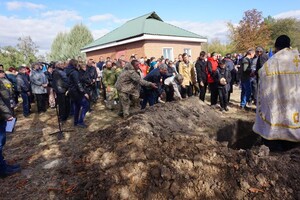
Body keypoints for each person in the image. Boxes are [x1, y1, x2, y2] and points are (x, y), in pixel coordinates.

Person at [253, 35, 300, 142]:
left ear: (276, 47)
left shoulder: (274, 61)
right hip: (296, 99)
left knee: (279, 118)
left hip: (280, 99)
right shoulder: (297, 57)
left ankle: (278, 140)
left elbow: (262, 73)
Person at [0, 77, 21, 178]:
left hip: (2, 115)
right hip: (1, 115)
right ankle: (3, 170)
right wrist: (7, 114)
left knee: (1, 144)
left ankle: (3, 166)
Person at [65, 59, 89, 128]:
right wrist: (84, 93)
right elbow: (78, 84)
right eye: (77, 64)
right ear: (75, 64)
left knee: (77, 107)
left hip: (72, 92)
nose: (78, 65)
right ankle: (80, 121)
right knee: (86, 105)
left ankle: (75, 122)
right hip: (77, 92)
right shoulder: (74, 72)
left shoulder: (68, 71)